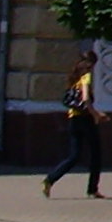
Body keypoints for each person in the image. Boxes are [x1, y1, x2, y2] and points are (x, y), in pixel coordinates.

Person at [44, 47, 106, 198]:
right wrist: (96, 114)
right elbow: (85, 99)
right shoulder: (85, 78)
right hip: (86, 119)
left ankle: (50, 179)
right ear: (92, 64)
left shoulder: (74, 78)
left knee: (74, 156)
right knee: (95, 154)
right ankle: (92, 189)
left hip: (73, 119)